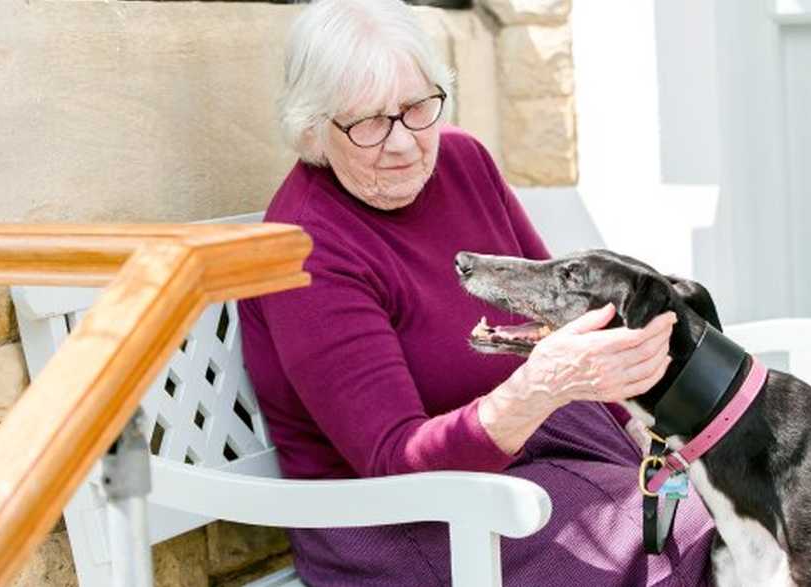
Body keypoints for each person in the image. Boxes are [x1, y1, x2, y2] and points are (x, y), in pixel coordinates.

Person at [237, 0, 715, 584]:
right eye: (367, 123)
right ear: (313, 126)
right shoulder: (310, 248)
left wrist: (645, 425)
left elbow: (563, 318)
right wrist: (538, 388)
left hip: (552, 453)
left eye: (417, 108)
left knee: (737, 497)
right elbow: (397, 464)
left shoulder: (463, 161)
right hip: (416, 522)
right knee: (697, 536)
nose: (404, 143)